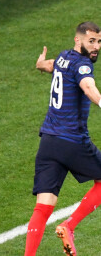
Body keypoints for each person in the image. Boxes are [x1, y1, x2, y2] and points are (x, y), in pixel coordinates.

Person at [24, 22, 101, 256]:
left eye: (99, 42)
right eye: (91, 42)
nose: (96, 47)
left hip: (48, 142)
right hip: (72, 142)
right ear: (78, 40)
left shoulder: (63, 57)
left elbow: (49, 66)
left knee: (43, 207)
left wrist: (39, 65)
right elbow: (88, 87)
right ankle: (69, 225)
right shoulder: (83, 65)